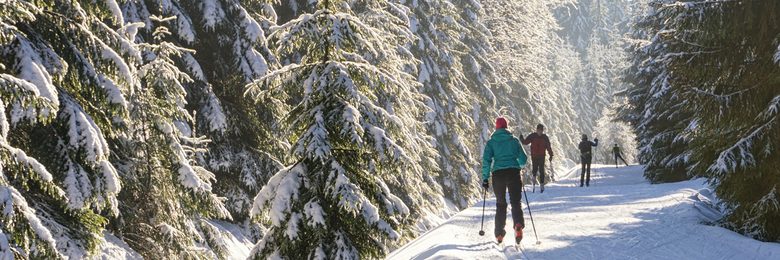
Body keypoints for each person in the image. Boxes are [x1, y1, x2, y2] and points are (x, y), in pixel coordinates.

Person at [482, 117, 528, 244]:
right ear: (506, 127)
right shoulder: (514, 140)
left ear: (496, 127)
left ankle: (499, 234)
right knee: (515, 202)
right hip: (513, 172)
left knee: (501, 204)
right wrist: (517, 163)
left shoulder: (491, 142)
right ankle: (518, 225)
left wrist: (485, 178)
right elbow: (523, 159)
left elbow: (486, 161)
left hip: (498, 174)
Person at [521, 124, 554, 193]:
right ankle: (534, 182)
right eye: (538, 130)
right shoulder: (533, 136)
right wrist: (522, 139)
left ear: (542, 131)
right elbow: (526, 142)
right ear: (536, 130)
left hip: (541, 156)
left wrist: (551, 155)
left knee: (542, 170)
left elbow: (548, 147)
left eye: (541, 130)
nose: (539, 132)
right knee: (534, 170)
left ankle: (542, 185)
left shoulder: (545, 137)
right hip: (534, 156)